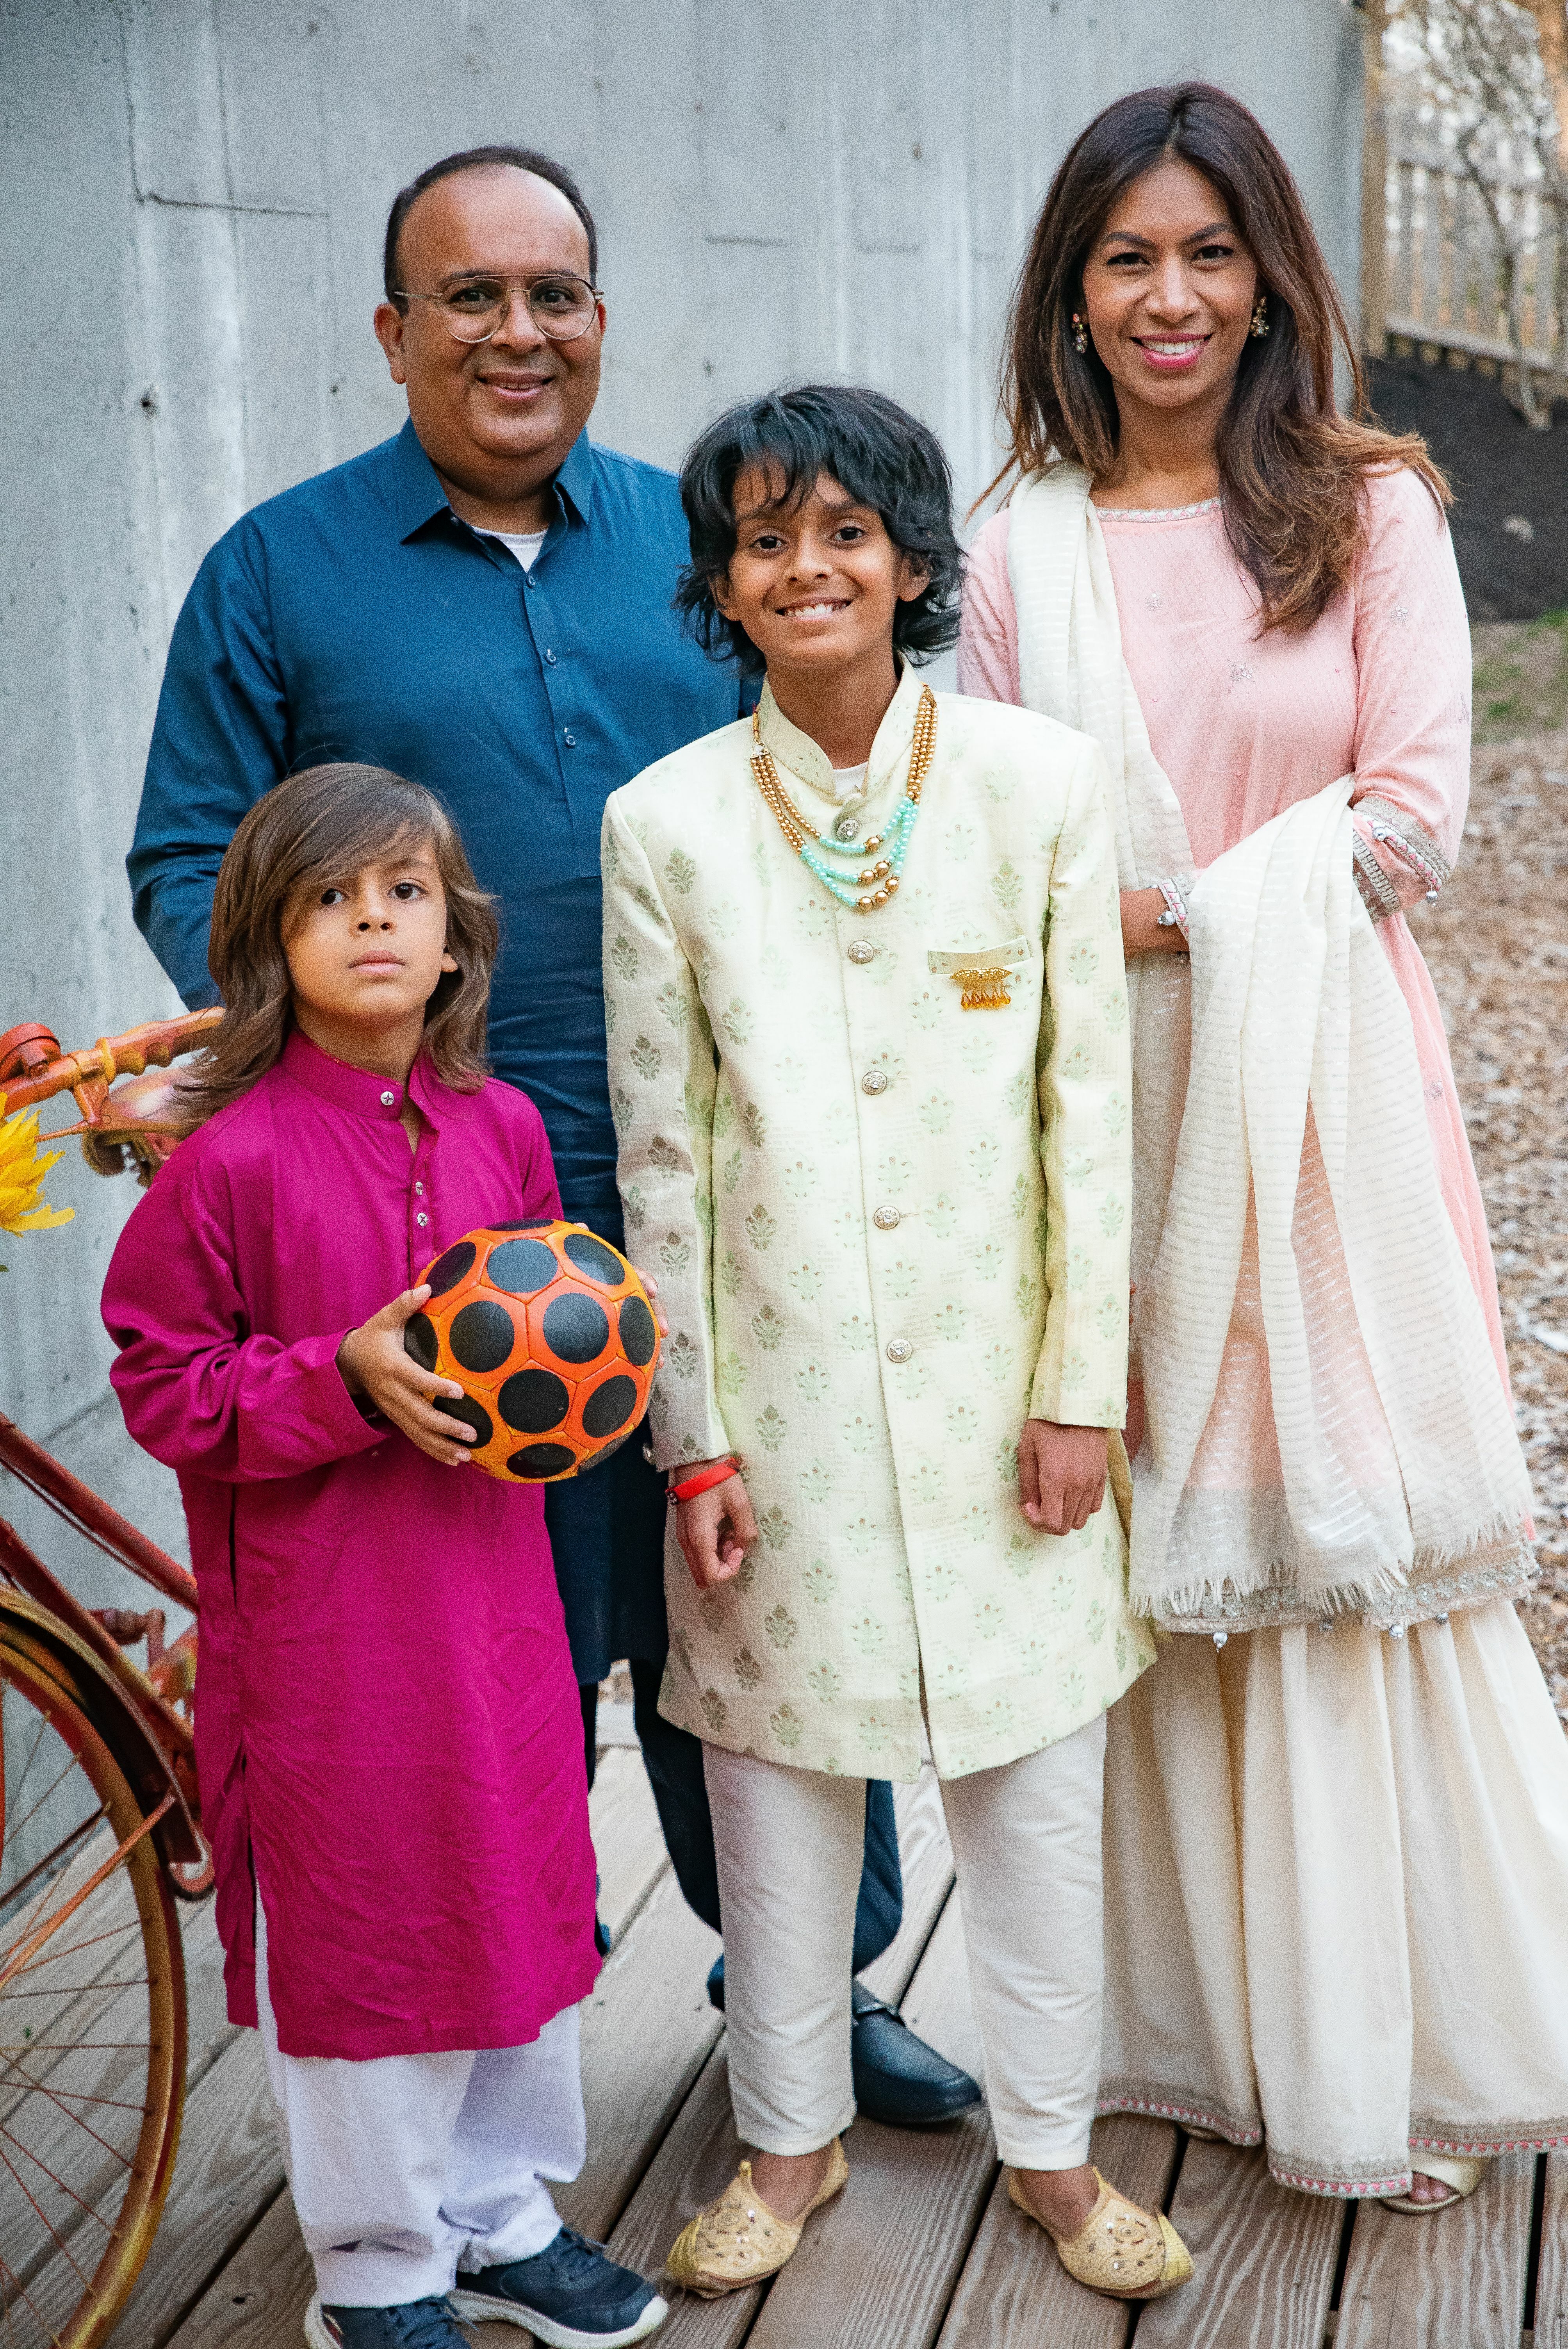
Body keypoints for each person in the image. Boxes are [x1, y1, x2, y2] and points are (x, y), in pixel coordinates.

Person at [125, 144, 970, 2124]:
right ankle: (490, 2035)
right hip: (422, 1233)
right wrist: (344, 1030)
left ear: (601, 315)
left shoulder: (700, 546)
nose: (519, 331)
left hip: (713, 1201)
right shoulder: (277, 570)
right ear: (393, 331)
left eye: (555, 294)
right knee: (491, 1644)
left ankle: (819, 1996)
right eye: (471, 296)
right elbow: (190, 854)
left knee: (748, 1598)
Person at [958, 80, 1568, 2212]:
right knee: (1151, 1562)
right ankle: (1185, 2031)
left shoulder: (1371, 507)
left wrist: (1185, 912)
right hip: (1111, 1099)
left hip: (1323, 1101)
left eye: (1209, 250)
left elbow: (1413, 816)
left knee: (1333, 1560)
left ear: (1271, 273)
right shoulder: (1015, 538)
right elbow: (990, 838)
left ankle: (1376, 2043)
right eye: (1127, 255)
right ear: (1072, 287)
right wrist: (1135, 929)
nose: (1172, 293)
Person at [602, 383, 1192, 2304]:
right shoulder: (663, 822)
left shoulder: (1034, 778)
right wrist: (690, 1434)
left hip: (999, 1394)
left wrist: (1073, 1390)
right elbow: (662, 1152)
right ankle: (788, 2140)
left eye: (843, 529)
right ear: (720, 586)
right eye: (763, 537)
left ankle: (1050, 2148)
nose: (806, 564)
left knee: (1032, 1788)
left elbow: (1079, 1113)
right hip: (769, 1408)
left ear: (916, 562)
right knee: (774, 1790)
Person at [102, 765, 667, 2347]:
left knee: (515, 1891)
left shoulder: (502, 1133)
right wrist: (335, 1378)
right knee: (366, 1924)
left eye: (402, 892)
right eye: (329, 898)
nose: (370, 919)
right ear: (266, 943)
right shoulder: (231, 1162)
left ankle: (499, 2216)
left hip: (494, 1608)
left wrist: (612, 1365)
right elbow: (159, 1379)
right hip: (325, 1633)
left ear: (454, 934)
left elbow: (560, 1352)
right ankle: (376, 2262)